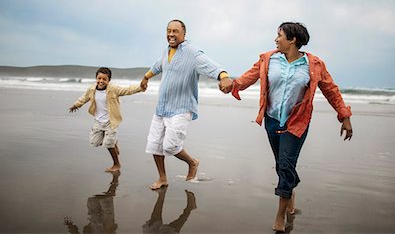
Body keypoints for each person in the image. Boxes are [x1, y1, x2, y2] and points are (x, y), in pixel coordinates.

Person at [228, 22, 353, 232]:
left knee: (286, 165)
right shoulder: (268, 59)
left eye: (279, 35)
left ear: (292, 40)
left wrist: (344, 116)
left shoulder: (314, 64)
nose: (276, 39)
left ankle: (280, 215)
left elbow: (331, 90)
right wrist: (231, 85)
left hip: (297, 122)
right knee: (281, 165)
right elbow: (248, 77)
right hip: (272, 119)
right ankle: (290, 190)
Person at [140, 19, 233, 190]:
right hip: (162, 107)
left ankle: (192, 163)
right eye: (168, 31)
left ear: (184, 34)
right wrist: (146, 77)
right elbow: (157, 66)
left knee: (170, 146)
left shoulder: (192, 52)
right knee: (155, 145)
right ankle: (162, 178)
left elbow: (210, 65)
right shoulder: (166, 52)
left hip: (181, 107)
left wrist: (223, 76)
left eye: (175, 31)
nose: (171, 34)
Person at [69, 67, 145, 173]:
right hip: (98, 121)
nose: (101, 81)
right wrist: (76, 105)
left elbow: (128, 90)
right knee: (94, 142)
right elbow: (84, 98)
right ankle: (114, 142)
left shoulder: (113, 89)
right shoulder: (92, 89)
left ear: (109, 80)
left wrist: (140, 87)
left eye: (104, 79)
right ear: (96, 78)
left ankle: (116, 164)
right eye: (99, 78)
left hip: (111, 121)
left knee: (108, 144)